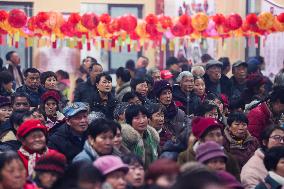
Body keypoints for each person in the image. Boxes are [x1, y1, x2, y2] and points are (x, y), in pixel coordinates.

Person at [153, 80, 189, 160]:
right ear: (157, 96)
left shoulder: (180, 113)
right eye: (164, 93)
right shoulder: (152, 113)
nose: (168, 96)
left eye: (169, 93)